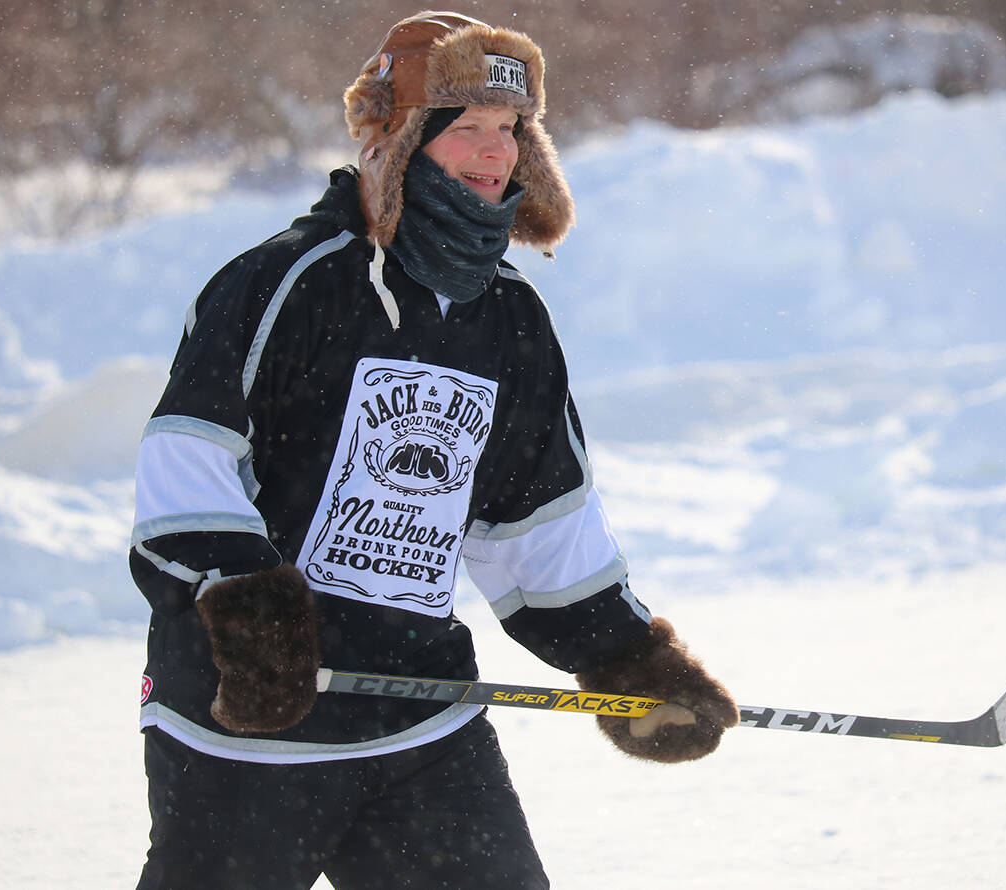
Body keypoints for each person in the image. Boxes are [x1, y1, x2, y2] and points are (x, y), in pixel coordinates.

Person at [130, 11, 738, 890]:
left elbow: (534, 516)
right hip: (247, 727)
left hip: (423, 725)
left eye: (510, 130)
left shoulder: (509, 317)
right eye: (466, 130)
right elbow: (186, 459)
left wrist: (623, 656)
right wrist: (251, 616)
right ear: (401, 141)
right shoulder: (289, 281)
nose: (496, 154)